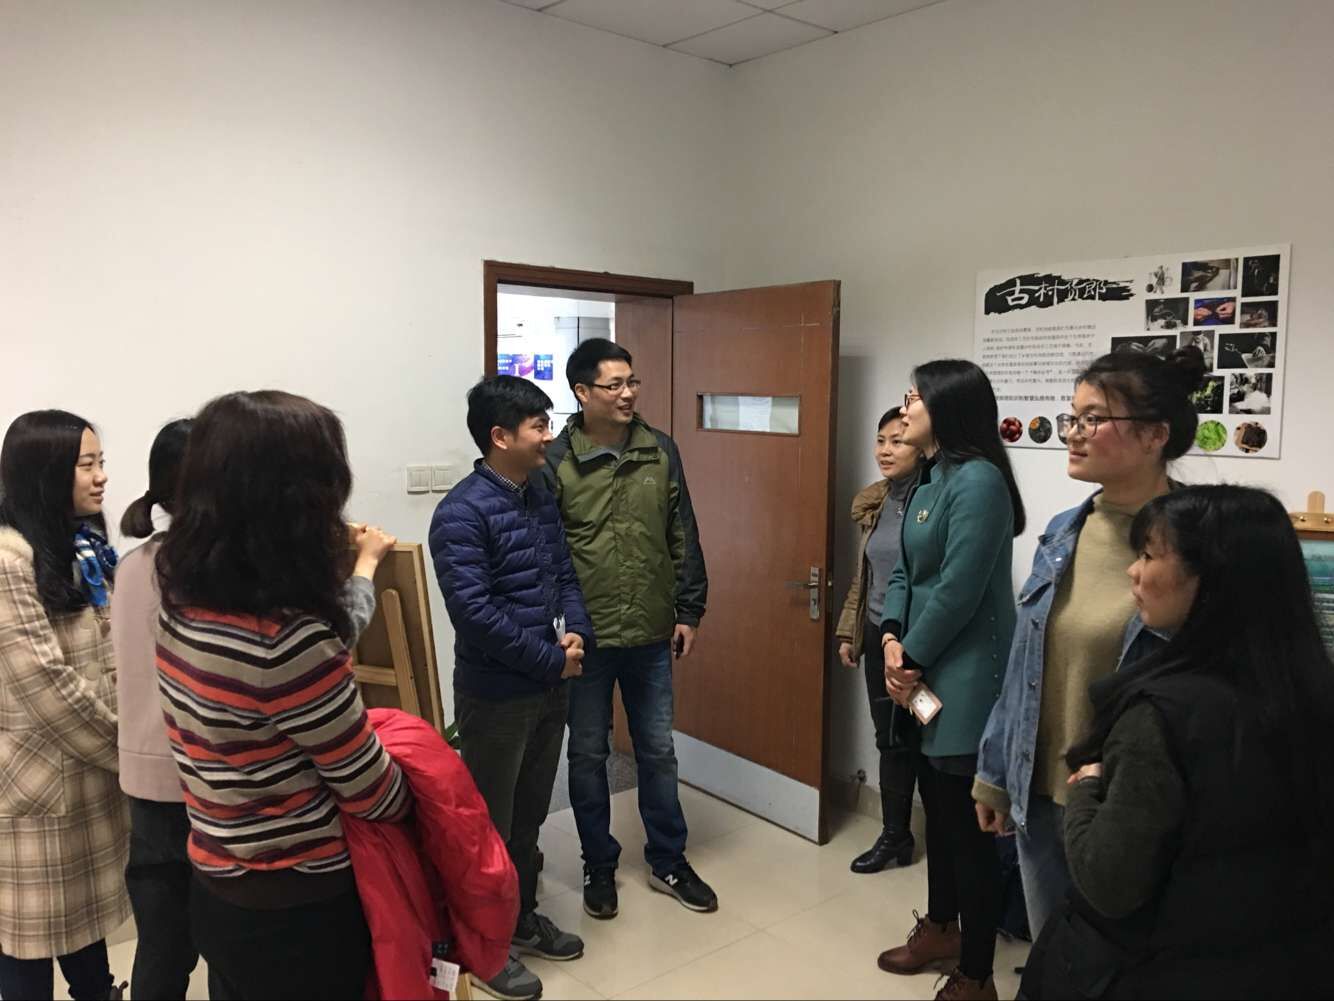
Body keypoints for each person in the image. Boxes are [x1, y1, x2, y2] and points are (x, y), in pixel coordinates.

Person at [112, 418, 396, 999]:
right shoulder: (280, 636)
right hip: (294, 893)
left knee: (168, 951)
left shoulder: (179, 603)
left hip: (217, 861)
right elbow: (372, 791)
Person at [1021, 486, 1334, 999]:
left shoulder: (1161, 717)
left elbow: (1109, 882)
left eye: (1149, 556)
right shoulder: (1311, 691)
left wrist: (1087, 788)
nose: (1133, 572)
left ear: (1210, 578)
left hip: (1161, 966)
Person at [972, 347, 1206, 941]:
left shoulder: (1196, 547)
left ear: (1155, 435)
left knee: (1121, 964)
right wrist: (995, 774)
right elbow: (1027, 665)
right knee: (1057, 956)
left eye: (1093, 419)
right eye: (1072, 417)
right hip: (1040, 794)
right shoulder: (1062, 533)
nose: (1072, 433)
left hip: (1128, 810)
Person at [429, 375, 593, 1001]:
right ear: (500, 436)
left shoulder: (539, 492)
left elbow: (564, 575)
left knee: (528, 818)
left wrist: (575, 634)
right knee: (488, 829)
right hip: (497, 695)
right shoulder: (461, 513)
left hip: (549, 684)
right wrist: (551, 661)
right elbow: (474, 614)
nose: (549, 437)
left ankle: (519, 919)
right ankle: (482, 948)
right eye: (539, 427)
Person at [544, 338, 714, 919]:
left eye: (632, 382)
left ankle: (669, 859)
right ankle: (599, 863)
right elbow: (545, 551)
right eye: (613, 385)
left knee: (658, 750)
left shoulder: (659, 450)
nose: (627, 394)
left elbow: (682, 532)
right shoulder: (556, 460)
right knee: (587, 753)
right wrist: (556, 627)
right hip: (585, 638)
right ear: (582, 392)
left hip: (648, 631)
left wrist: (689, 610)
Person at [874, 360, 1025, 1001]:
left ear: (948, 406)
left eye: (916, 396)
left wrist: (909, 657)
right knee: (937, 813)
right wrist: (890, 637)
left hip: (965, 678)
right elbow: (904, 572)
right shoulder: (931, 477)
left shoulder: (980, 481)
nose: (906, 406)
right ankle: (940, 927)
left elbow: (959, 590)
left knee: (968, 835)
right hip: (920, 670)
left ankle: (977, 973)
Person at [0, 411, 129, 1001]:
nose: (101, 477)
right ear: (46, 472)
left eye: (101, 462)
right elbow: (45, 686)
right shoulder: (9, 558)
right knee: (27, 948)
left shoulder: (80, 545)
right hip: (39, 785)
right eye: (86, 465)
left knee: (84, 932)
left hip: (84, 779)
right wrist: (126, 750)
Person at [834, 406, 922, 873]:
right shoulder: (878, 501)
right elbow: (865, 575)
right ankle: (895, 835)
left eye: (898, 441)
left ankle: (942, 840)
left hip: (917, 637)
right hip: (876, 630)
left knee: (928, 741)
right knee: (889, 737)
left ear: (922, 446)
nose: (885, 451)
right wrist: (850, 632)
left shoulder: (933, 501)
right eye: (881, 440)